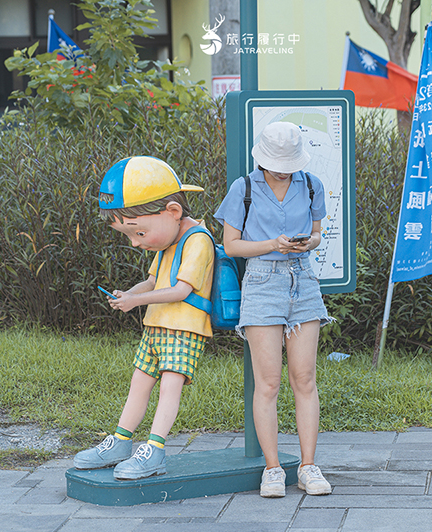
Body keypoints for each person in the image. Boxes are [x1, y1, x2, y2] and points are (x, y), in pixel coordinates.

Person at [74, 155, 214, 481]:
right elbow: (152, 282)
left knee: (169, 386)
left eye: (139, 233)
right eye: (129, 235)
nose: (136, 243)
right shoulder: (167, 240)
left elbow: (180, 290)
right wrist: (129, 295)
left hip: (184, 328)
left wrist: (137, 301)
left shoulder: (197, 240)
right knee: (139, 383)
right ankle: (122, 441)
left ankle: (155, 449)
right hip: (156, 326)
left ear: (173, 212)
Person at [214, 122, 333, 498]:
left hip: (303, 280)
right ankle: (273, 468)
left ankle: (309, 466)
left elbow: (317, 233)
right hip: (263, 283)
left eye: (289, 163)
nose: (283, 169)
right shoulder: (244, 188)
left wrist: (305, 243)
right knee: (267, 383)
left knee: (305, 379)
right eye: (277, 163)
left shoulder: (311, 183)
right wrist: (272, 244)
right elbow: (231, 246)